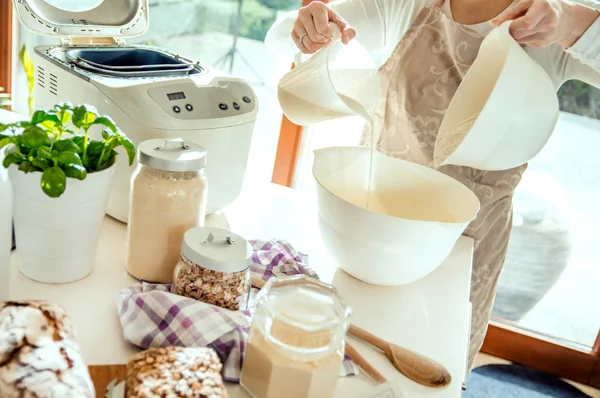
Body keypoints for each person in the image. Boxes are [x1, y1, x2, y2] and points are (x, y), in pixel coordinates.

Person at [266, 0, 600, 370]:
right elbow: (280, 37)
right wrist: (308, 31)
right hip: (369, 229)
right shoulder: (407, 4)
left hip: (460, 251)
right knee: (342, 359)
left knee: (429, 371)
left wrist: (571, 25)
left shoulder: (554, 20)